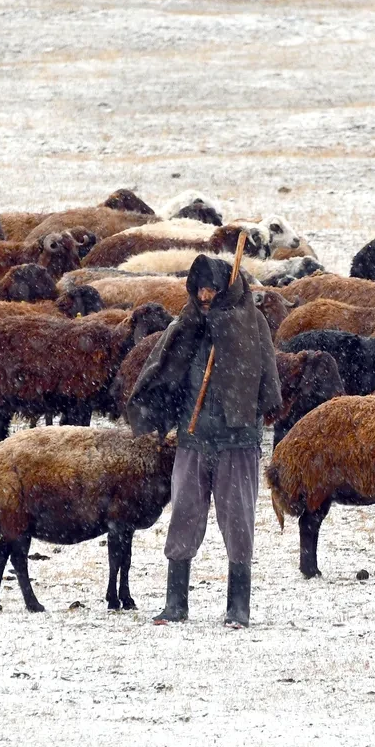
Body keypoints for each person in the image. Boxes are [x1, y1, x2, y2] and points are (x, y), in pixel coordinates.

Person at [126, 254, 282, 628]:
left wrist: (254, 415)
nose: (206, 295)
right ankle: (175, 603)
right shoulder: (189, 324)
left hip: (237, 441)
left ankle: (238, 607)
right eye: (199, 288)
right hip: (193, 438)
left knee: (238, 520)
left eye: (212, 288)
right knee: (184, 516)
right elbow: (165, 367)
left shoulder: (250, 322)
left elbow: (266, 378)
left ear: (225, 288)